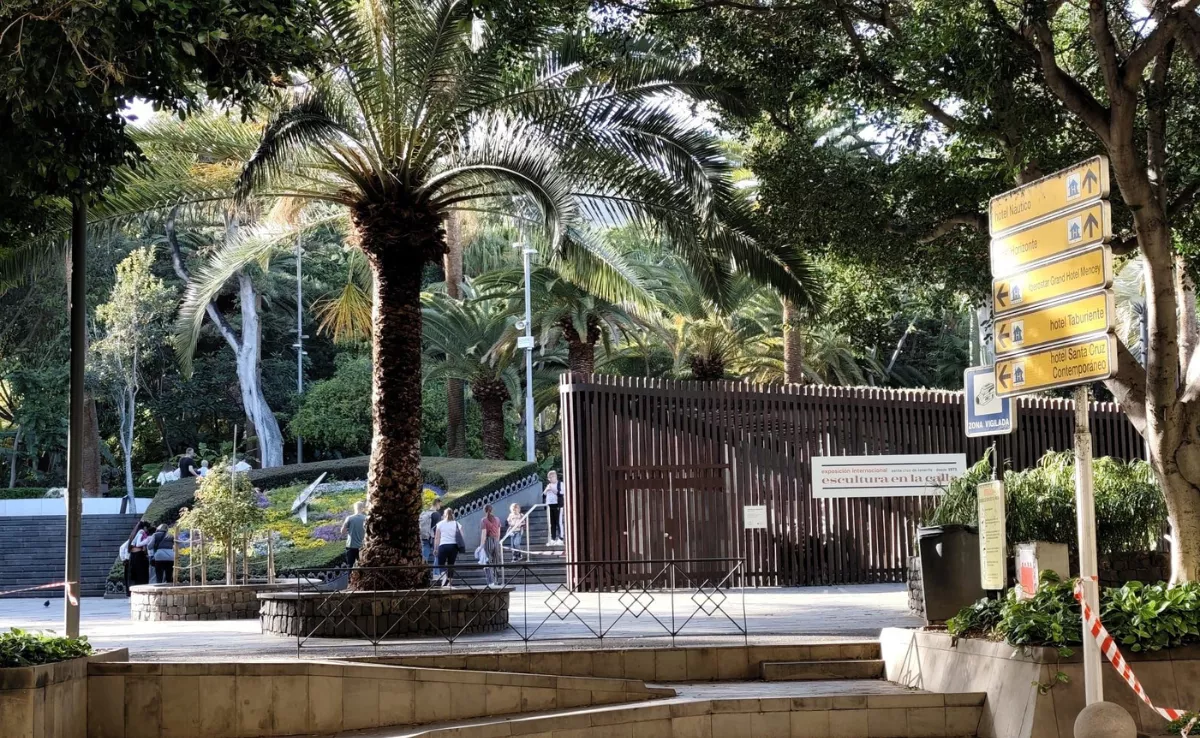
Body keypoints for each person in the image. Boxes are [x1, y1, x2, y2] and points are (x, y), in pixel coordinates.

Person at [433, 508, 463, 587]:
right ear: (452, 514)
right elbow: (461, 535)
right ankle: (449, 584)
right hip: (454, 546)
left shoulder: (440, 524)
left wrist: (435, 548)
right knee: (451, 565)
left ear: (444, 515)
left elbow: (437, 537)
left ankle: (444, 575)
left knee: (440, 564)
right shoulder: (456, 524)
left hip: (443, 546)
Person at [341, 501, 367, 569]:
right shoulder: (366, 518)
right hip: (363, 546)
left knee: (350, 566)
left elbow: (342, 531)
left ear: (354, 508)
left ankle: (350, 579)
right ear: (362, 508)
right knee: (362, 567)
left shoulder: (349, 518)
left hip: (351, 546)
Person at [480, 505, 502, 585]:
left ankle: (490, 581)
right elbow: (499, 532)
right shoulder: (497, 519)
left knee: (487, 561)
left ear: (484, 511)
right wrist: (497, 541)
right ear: (492, 510)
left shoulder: (484, 520)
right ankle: (496, 580)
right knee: (496, 561)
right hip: (496, 540)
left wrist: (481, 546)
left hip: (488, 541)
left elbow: (484, 534)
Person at [129, 522, 153, 586]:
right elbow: (139, 544)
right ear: (144, 527)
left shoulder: (133, 533)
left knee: (136, 574)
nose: (147, 530)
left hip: (133, 555)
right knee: (142, 574)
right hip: (139, 555)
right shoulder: (141, 532)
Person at [543, 470, 563, 545]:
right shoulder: (548, 485)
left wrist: (553, 489)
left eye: (553, 476)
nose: (551, 478)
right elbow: (544, 494)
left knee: (559, 522)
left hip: (557, 505)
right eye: (550, 477)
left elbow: (561, 493)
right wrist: (546, 490)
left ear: (556, 476)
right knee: (552, 523)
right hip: (549, 505)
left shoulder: (560, 484)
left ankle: (561, 538)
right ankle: (553, 538)